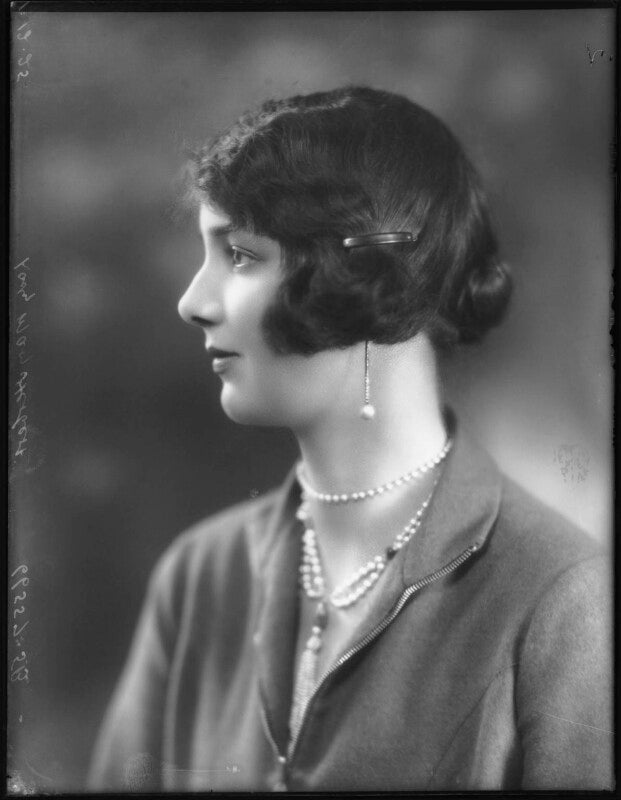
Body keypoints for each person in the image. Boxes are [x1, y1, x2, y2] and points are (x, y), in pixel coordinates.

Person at [88, 86, 612, 792]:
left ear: (367, 280)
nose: (193, 302)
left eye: (239, 255)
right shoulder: (198, 576)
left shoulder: (562, 601)